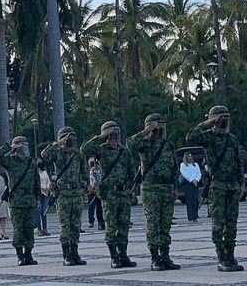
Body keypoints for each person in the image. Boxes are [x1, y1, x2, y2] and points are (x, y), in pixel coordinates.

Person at [188, 105, 246, 272]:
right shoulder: (208, 137)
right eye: (221, 119)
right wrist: (208, 123)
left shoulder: (232, 139)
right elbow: (191, 136)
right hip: (217, 185)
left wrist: (241, 183)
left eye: (226, 119)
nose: (224, 123)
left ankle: (230, 255)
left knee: (232, 223)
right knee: (218, 224)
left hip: (232, 185)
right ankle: (221, 256)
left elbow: (238, 162)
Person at [82, 121, 138, 269]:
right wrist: (100, 137)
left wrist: (132, 191)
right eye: (112, 134)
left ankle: (123, 255)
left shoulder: (125, 151)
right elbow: (84, 149)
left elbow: (132, 172)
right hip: (110, 194)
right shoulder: (101, 150)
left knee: (124, 225)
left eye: (116, 133)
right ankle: (114, 256)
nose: (114, 137)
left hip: (123, 192)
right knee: (111, 226)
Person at [128, 113, 180, 271]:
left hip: (167, 188)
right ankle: (155, 257)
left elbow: (174, 167)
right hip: (151, 188)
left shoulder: (168, 144)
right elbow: (130, 143)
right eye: (159, 125)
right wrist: (148, 130)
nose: (162, 129)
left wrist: (175, 187)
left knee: (165, 224)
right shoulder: (144, 143)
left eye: (163, 125)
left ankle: (165, 256)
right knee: (153, 224)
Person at [41, 127, 88, 266]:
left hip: (76, 194)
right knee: (65, 226)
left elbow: (84, 173)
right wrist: (58, 143)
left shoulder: (78, 155)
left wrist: (82, 186)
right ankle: (66, 254)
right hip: (62, 195)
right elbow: (44, 155)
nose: (71, 141)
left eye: (73, 138)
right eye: (68, 138)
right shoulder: (57, 153)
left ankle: (75, 252)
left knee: (75, 225)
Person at [0, 137, 40, 266]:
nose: (25, 150)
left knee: (29, 228)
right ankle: (20, 255)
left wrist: (37, 198)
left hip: (30, 200)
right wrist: (9, 147)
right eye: (22, 147)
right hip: (16, 201)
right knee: (18, 229)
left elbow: (36, 181)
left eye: (26, 147)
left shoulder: (31, 162)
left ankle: (29, 254)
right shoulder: (10, 161)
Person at [178, 152, 201, 222]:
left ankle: (195, 216)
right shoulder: (183, 165)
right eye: (188, 157)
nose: (190, 158)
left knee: (195, 200)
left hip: (196, 183)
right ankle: (190, 216)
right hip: (188, 184)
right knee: (189, 201)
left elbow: (198, 173)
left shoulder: (196, 165)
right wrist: (191, 180)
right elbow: (185, 173)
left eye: (191, 156)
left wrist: (197, 180)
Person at [87, 158, 105, 230]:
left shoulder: (102, 169)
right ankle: (100, 222)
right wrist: (95, 187)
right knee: (97, 207)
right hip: (95, 191)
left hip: (102, 190)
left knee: (102, 207)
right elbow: (93, 180)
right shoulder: (93, 170)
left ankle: (103, 222)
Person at [34, 160, 50, 236]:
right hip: (38, 193)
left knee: (44, 211)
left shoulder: (45, 172)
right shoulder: (35, 173)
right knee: (38, 211)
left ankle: (45, 228)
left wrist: (47, 188)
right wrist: (40, 188)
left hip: (45, 194)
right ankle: (39, 229)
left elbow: (48, 181)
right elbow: (34, 183)